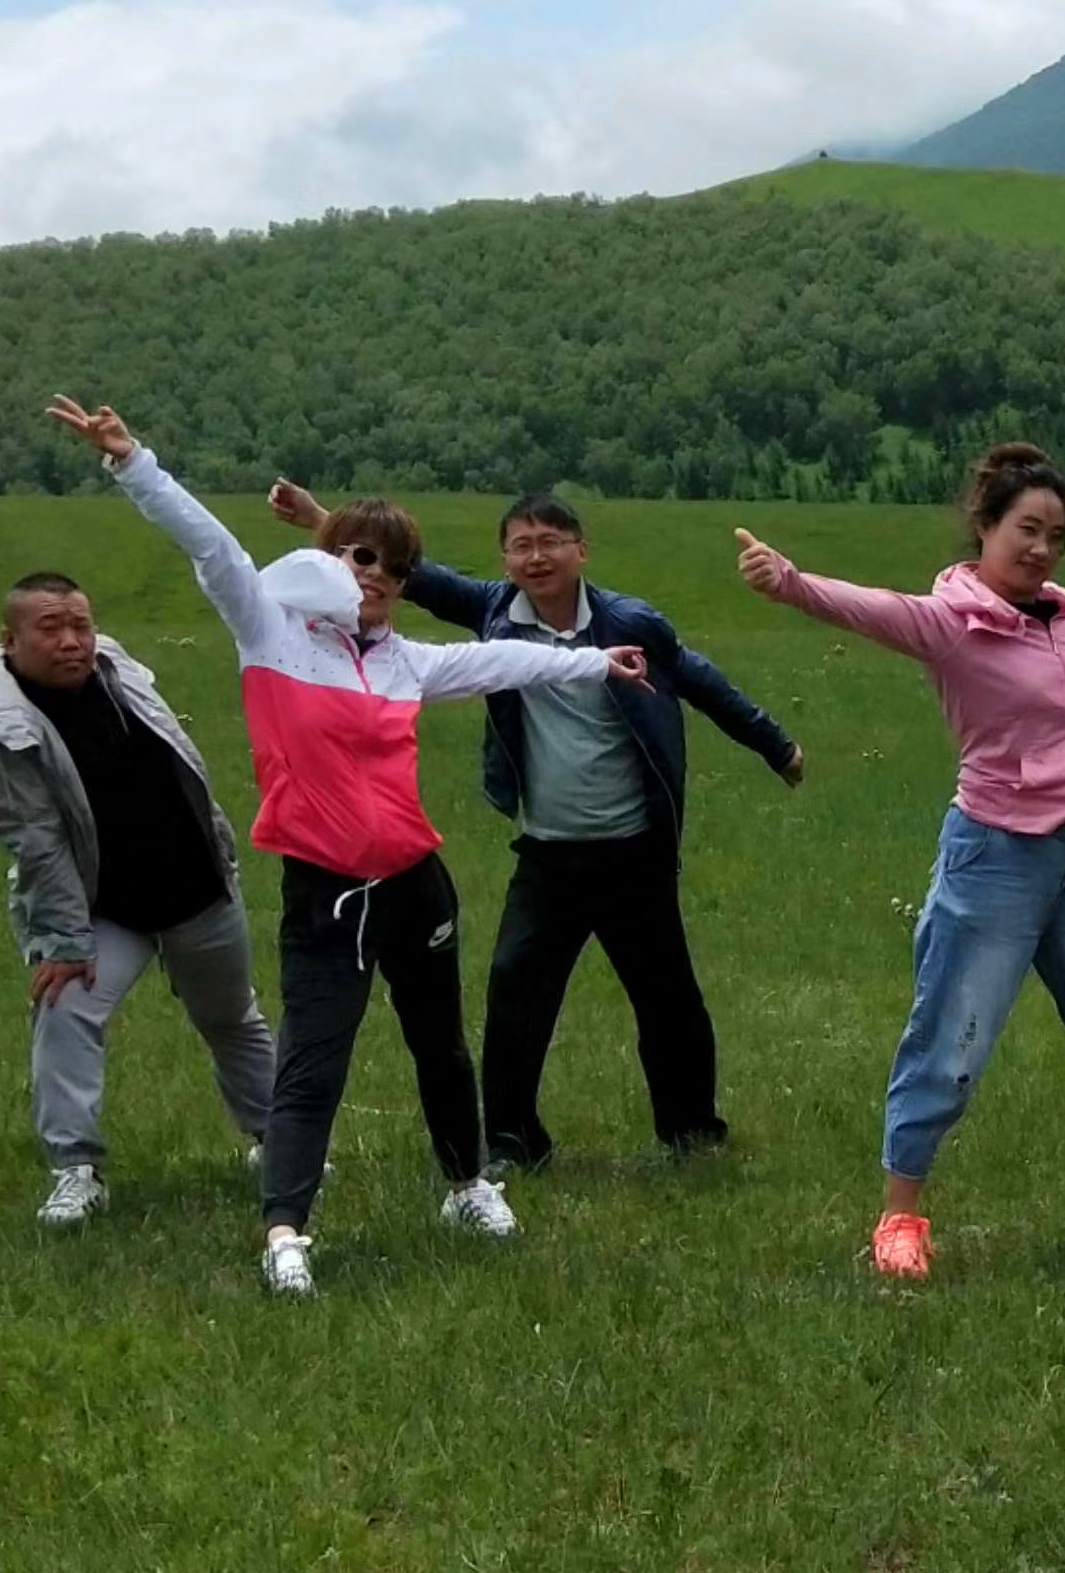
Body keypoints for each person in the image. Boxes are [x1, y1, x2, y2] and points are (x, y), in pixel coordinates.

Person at [53, 400, 641, 1297]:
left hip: (417, 884)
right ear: (327, 555)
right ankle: (285, 1227)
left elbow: (509, 661)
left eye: (393, 566)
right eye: (359, 555)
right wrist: (134, 461)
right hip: (326, 891)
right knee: (312, 1059)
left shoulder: (406, 661)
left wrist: (600, 664)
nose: (374, 575)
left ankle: (467, 1184)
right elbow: (210, 544)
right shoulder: (271, 634)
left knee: (440, 1045)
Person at [731, 444, 1065, 1281]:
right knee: (951, 1039)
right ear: (985, 528)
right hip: (996, 860)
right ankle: (900, 1217)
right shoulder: (951, 622)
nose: (1042, 549)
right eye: (1027, 529)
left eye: (1057, 534)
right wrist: (791, 581)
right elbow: (868, 610)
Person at [272, 482, 804, 1169]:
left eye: (550, 542)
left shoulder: (633, 622)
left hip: (634, 849)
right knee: (516, 995)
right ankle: (513, 1141)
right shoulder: (496, 613)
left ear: (580, 550)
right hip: (549, 854)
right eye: (520, 545)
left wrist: (775, 743)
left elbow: (702, 681)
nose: (536, 557)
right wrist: (324, 522)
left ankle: (691, 1129)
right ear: (505, 561)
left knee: (667, 995)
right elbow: (422, 578)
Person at [0, 571, 277, 1228]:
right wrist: (62, 940)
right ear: (10, 640)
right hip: (102, 907)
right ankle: (75, 1172)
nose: (70, 642)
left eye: (79, 625)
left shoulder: (118, 673)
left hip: (195, 884)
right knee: (64, 1011)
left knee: (231, 1017)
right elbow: (34, 839)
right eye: (49, 629)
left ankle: (280, 1145)